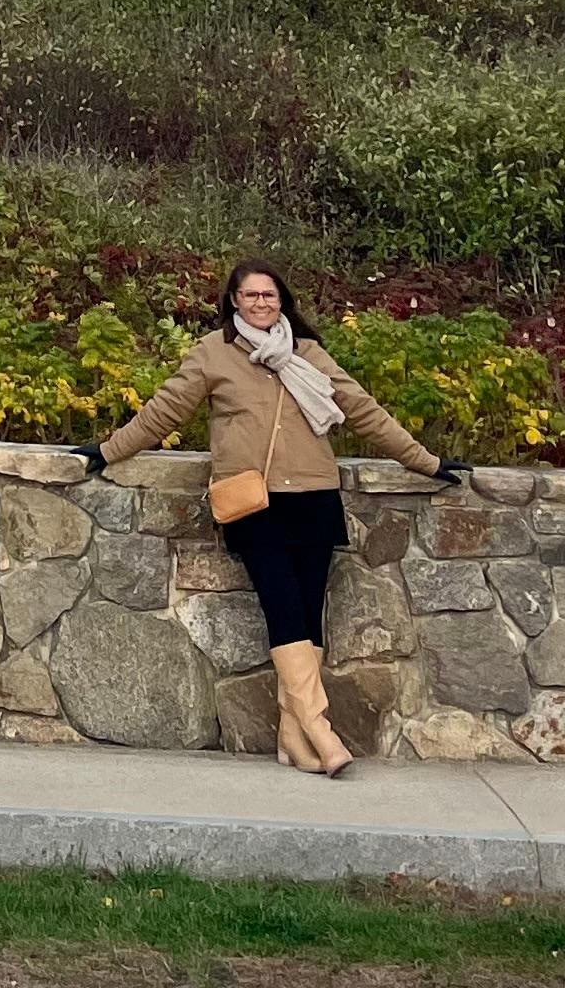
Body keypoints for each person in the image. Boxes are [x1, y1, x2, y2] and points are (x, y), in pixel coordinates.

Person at [75, 261, 468, 778]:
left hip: (314, 497)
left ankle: (292, 739)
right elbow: (163, 413)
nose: (262, 303)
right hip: (252, 503)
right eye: (251, 295)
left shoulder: (309, 356)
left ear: (282, 300)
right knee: (282, 606)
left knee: (307, 616)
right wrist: (107, 450)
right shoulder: (212, 354)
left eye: (270, 295)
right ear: (233, 301)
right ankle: (321, 729)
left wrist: (428, 462)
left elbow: (366, 412)